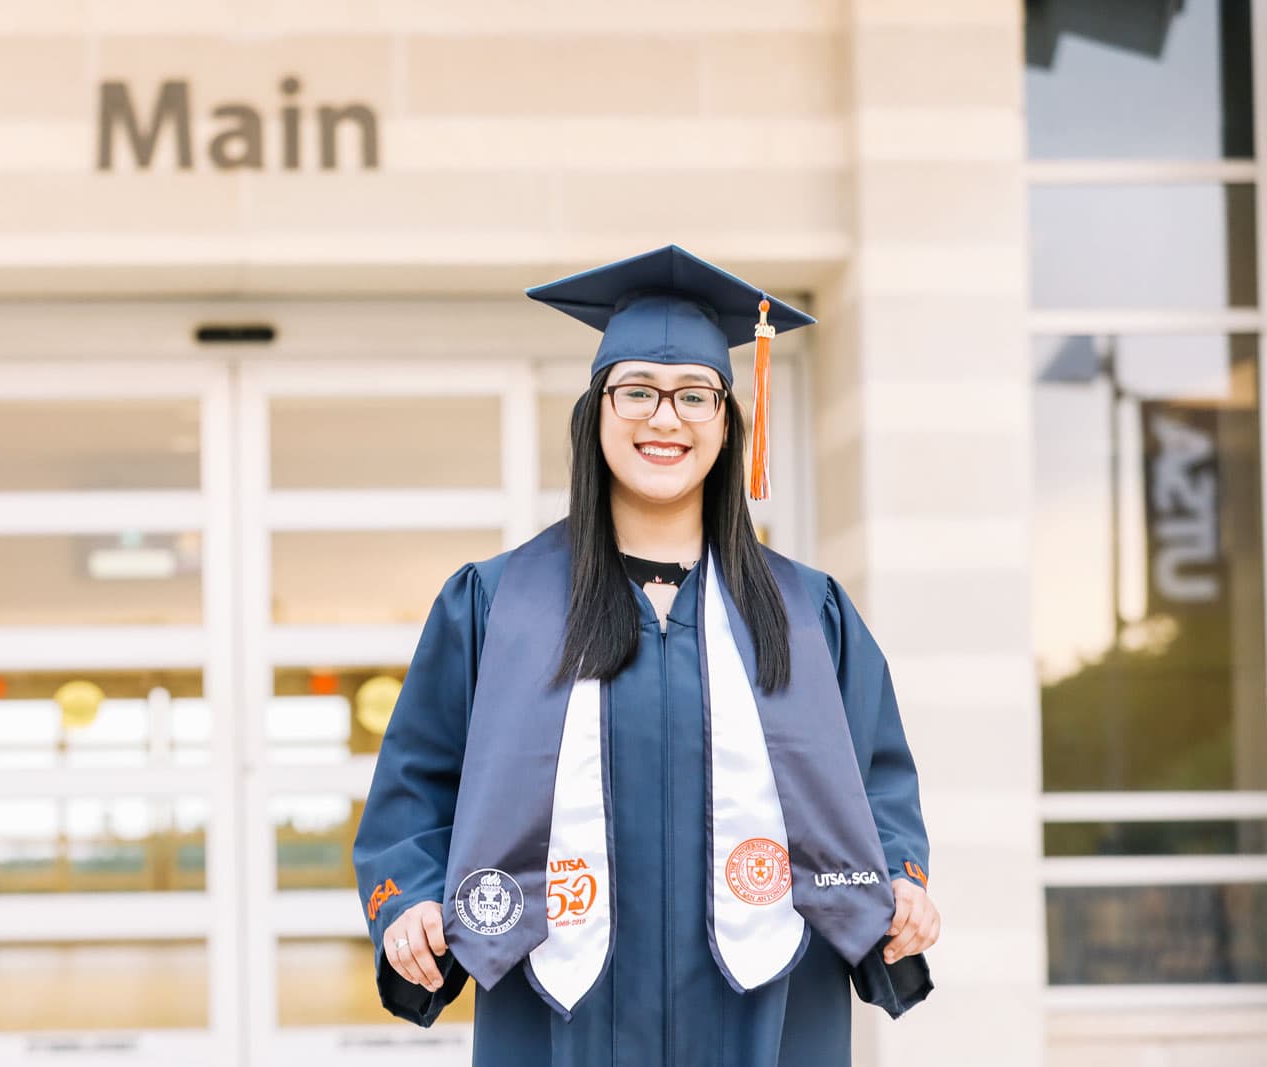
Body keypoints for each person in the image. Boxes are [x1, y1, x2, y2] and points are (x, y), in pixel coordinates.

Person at [353, 245, 939, 1066]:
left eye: (695, 396)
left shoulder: (809, 613)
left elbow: (878, 779)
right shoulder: (497, 604)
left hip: (767, 1000)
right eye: (637, 392)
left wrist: (903, 876)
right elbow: (415, 788)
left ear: (729, 422)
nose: (665, 419)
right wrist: (407, 899)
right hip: (560, 1003)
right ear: (596, 412)